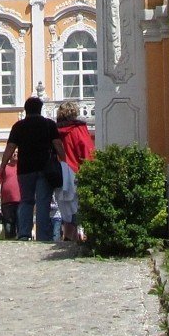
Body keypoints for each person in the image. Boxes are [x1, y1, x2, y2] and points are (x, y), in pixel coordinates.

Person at [0, 96, 61, 243]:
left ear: (26, 110)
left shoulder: (19, 126)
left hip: (25, 169)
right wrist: (64, 161)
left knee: (26, 201)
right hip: (45, 169)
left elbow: (10, 148)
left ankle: (24, 233)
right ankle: (42, 236)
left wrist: (2, 166)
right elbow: (58, 144)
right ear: (40, 109)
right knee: (43, 202)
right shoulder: (49, 124)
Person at [54, 101, 96, 242]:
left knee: (66, 211)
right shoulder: (78, 130)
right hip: (76, 173)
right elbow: (87, 152)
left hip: (59, 175)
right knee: (82, 208)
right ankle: (86, 240)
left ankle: (68, 239)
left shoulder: (54, 132)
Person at [0, 156, 21, 240]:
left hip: (21, 201)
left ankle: (22, 243)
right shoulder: (4, 167)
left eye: (17, 152)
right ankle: (10, 244)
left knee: (21, 225)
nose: (15, 154)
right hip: (7, 202)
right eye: (13, 152)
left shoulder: (24, 166)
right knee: (8, 226)